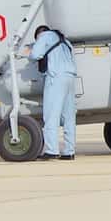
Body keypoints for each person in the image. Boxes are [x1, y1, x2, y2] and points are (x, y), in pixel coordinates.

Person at [33, 24, 79, 159]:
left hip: (56, 77)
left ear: (39, 35)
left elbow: (35, 54)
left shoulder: (44, 37)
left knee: (51, 114)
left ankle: (52, 150)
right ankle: (69, 151)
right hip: (70, 77)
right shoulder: (66, 41)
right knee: (69, 117)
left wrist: (29, 53)